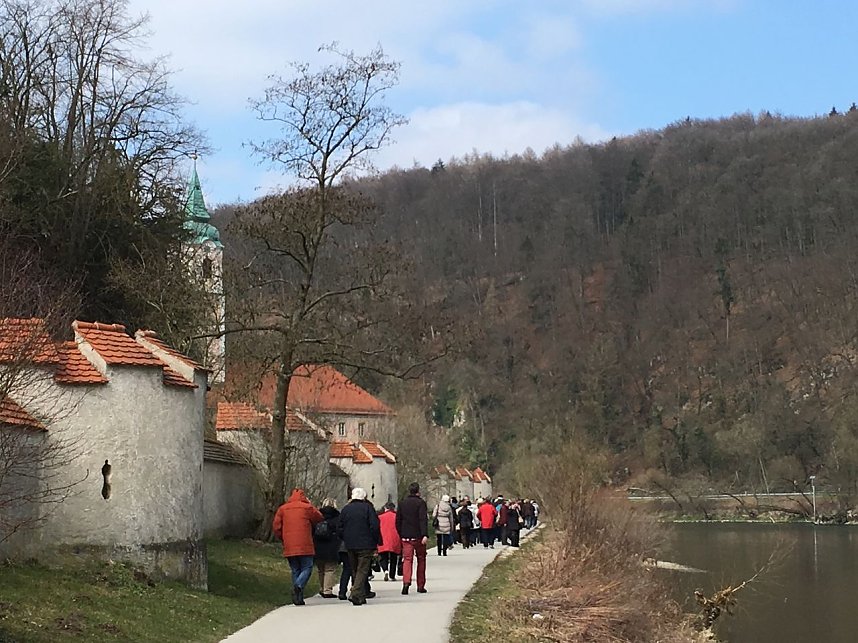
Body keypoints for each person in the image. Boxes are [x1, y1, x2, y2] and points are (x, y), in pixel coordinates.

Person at [272, 488, 324, 606]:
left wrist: (283, 538)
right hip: (305, 543)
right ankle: (298, 586)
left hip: (289, 544)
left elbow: (276, 527)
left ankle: (298, 597)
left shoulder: (283, 509)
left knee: (295, 569)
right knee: (307, 567)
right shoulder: (307, 507)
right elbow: (319, 517)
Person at [338, 487, 380, 606]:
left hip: (350, 544)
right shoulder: (368, 508)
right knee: (362, 569)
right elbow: (375, 525)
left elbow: (339, 527)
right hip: (365, 543)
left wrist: (345, 537)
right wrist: (375, 540)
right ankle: (355, 593)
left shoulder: (346, 509)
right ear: (363, 497)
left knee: (354, 569)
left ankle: (360, 596)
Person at [396, 481, 428, 595]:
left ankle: (406, 582)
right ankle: (420, 585)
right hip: (418, 535)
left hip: (406, 536)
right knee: (421, 559)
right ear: (418, 491)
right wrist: (425, 534)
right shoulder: (421, 503)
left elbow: (398, 520)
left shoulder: (402, 503)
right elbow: (423, 519)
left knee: (407, 559)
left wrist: (401, 533)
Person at [313, 497, 341, 598]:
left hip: (318, 545)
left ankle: (322, 588)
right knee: (329, 569)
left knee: (321, 569)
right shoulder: (337, 516)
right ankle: (327, 590)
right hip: (331, 546)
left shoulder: (317, 515)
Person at [378, 502, 401, 581]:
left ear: (385, 508)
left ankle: (385, 570)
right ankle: (392, 575)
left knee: (383, 557)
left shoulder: (380, 517)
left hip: (383, 539)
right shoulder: (397, 516)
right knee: (393, 558)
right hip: (395, 539)